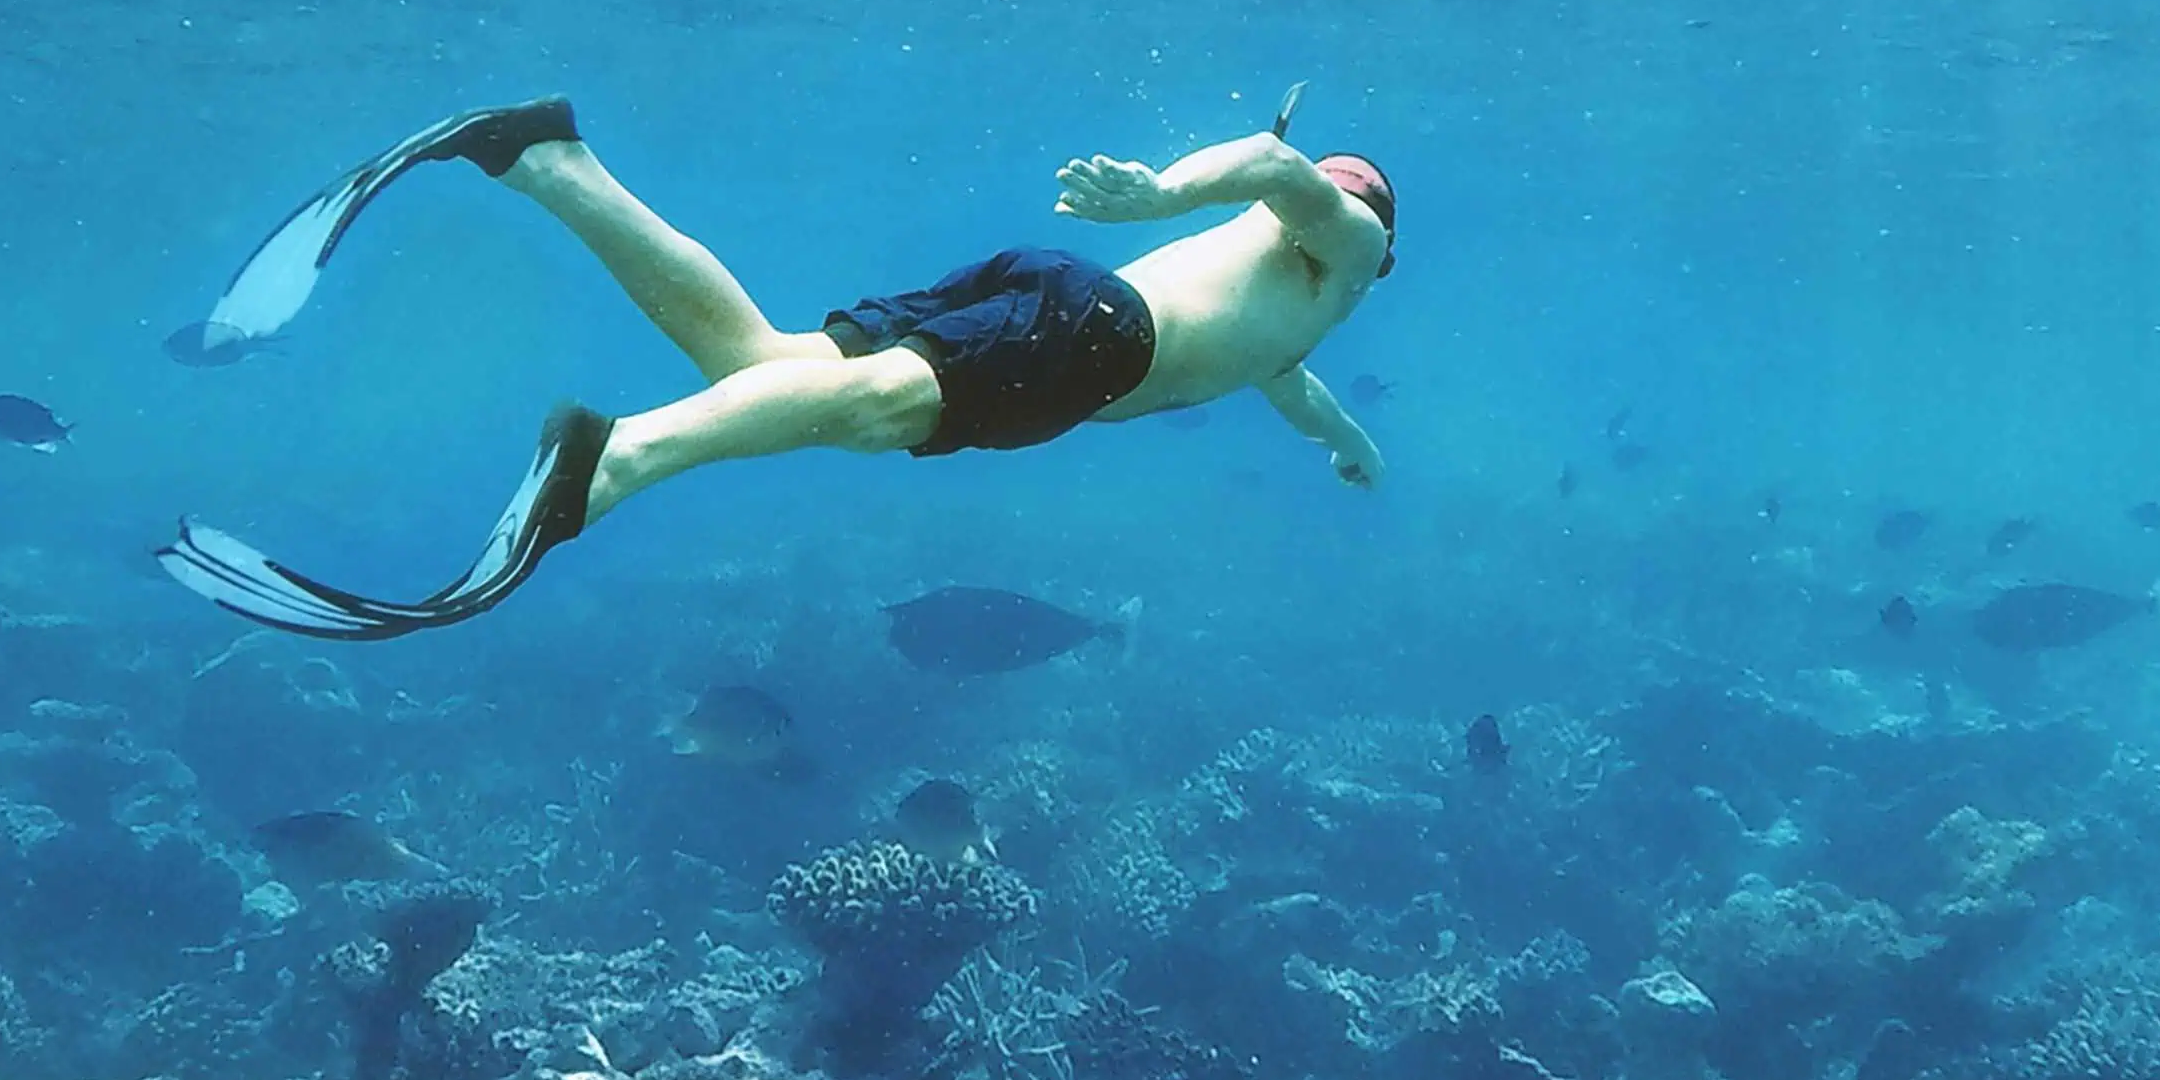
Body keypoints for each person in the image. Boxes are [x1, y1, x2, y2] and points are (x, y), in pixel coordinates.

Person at [156, 98, 1395, 637]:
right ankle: (614, 460)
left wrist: (1349, 444)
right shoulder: (1349, 242)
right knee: (862, 414)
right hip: (1097, 336)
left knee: (763, 362)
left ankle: (546, 160)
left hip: (1060, 297)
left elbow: (1290, 388)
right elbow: (1283, 172)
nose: (1334, 199)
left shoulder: (1297, 326)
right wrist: (1161, 192)